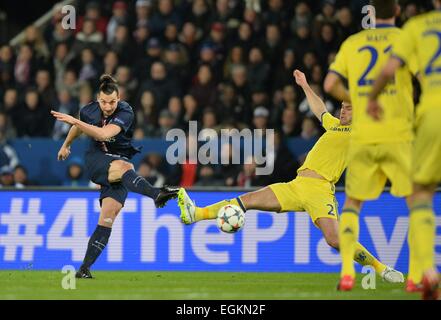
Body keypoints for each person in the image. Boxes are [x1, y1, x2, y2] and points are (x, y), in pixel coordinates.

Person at [177, 69, 404, 284]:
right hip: (296, 185)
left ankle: (381, 269)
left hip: (320, 190)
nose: (343, 110)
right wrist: (305, 85)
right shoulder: (335, 125)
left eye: (349, 108)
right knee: (246, 200)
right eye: (343, 107)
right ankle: (195, 213)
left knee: (334, 239)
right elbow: (320, 110)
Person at [323, 0, 417, 292]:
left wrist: (359, 100)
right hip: (397, 133)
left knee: (352, 204)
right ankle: (417, 275)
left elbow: (330, 85)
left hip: (363, 135)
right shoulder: (406, 39)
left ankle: (349, 272)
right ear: (398, 12)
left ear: (371, 14)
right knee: (417, 202)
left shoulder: (353, 42)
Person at [52, 74, 179, 279]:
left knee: (108, 216)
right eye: (104, 102)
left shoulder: (126, 112)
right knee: (124, 165)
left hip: (118, 165)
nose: (108, 106)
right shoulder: (89, 110)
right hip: (97, 160)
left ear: (118, 99)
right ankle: (156, 194)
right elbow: (78, 127)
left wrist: (75, 121)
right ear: (98, 98)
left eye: (112, 102)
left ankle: (84, 268)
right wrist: (66, 144)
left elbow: (103, 134)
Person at [367, 0, 441, 300]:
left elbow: (388, 70)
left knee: (420, 194)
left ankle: (427, 271)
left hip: (432, 113)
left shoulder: (416, 28)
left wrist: (371, 97)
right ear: (395, 10)